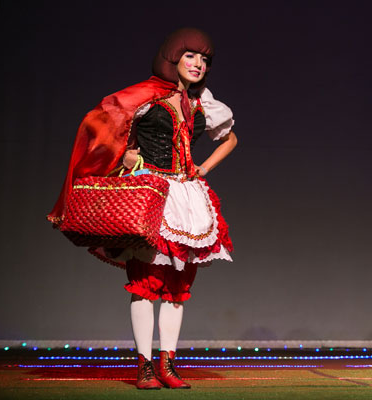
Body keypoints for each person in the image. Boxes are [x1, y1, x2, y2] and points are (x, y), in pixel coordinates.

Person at [48, 28, 237, 389]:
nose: (198, 64)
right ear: (172, 59)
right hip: (151, 196)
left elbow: (230, 138)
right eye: (191, 56)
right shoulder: (148, 97)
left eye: (204, 59)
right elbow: (102, 124)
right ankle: (145, 366)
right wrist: (126, 152)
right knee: (144, 285)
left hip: (186, 198)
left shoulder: (204, 104)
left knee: (177, 288)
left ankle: (168, 364)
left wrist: (204, 168)